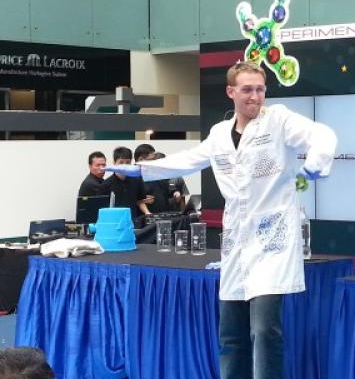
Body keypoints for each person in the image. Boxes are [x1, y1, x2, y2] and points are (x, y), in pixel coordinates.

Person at [105, 61, 337, 379]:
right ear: (231, 92)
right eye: (247, 89)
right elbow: (189, 160)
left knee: (264, 330)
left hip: (273, 241)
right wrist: (141, 169)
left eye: (260, 89)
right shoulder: (219, 134)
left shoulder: (279, 120)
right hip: (237, 243)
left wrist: (316, 163)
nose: (255, 96)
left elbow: (321, 135)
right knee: (230, 334)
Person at [99, 146, 151, 223]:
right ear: (114, 163)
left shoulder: (137, 180)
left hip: (133, 222)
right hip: (115, 223)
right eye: (121, 162)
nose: (124, 165)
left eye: (127, 162)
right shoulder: (106, 184)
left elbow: (140, 201)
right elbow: (103, 210)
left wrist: (147, 212)